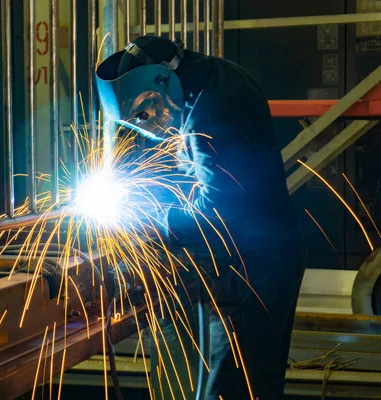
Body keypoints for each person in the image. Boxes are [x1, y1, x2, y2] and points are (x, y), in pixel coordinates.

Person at [95, 35, 305, 400]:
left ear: (162, 82)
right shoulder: (214, 80)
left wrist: (152, 221)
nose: (150, 125)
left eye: (146, 112)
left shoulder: (215, 105)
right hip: (257, 259)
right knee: (254, 383)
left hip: (254, 272)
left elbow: (217, 208)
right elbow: (213, 174)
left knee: (232, 389)